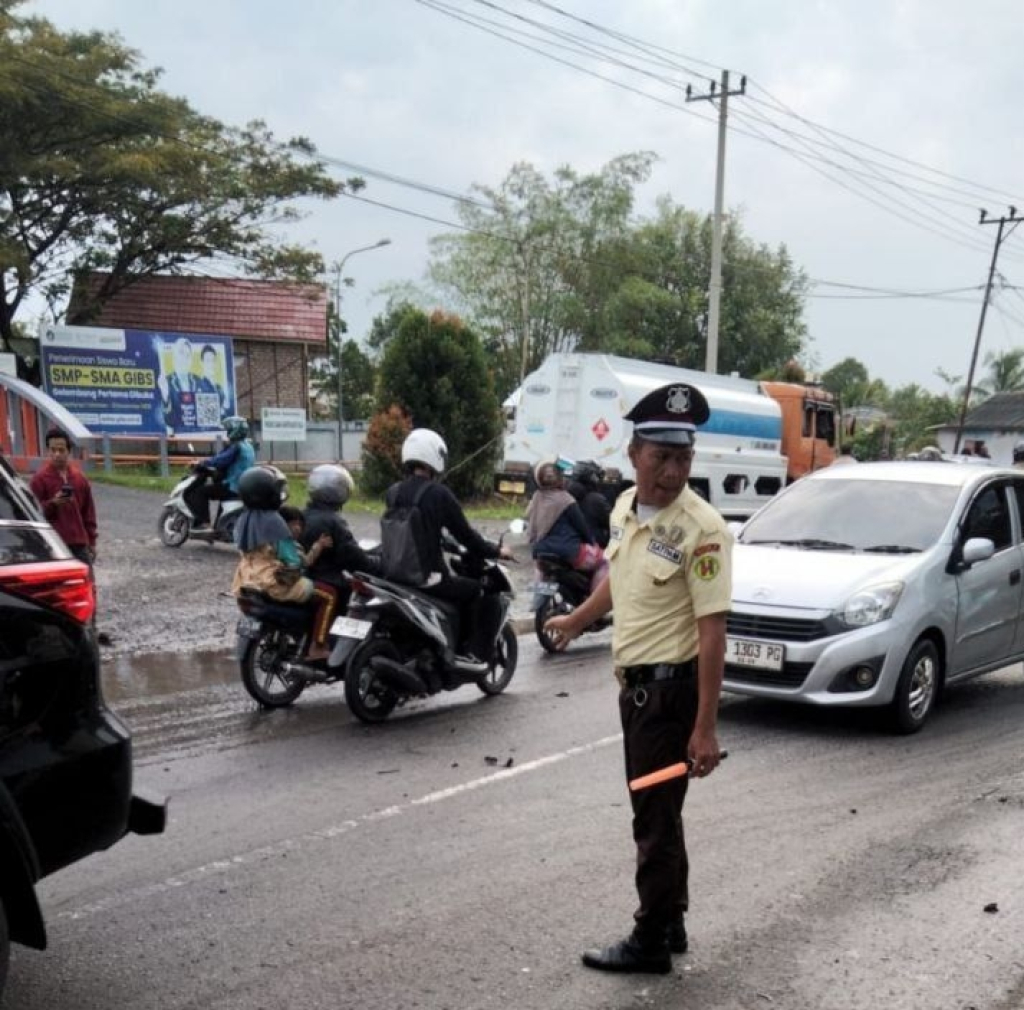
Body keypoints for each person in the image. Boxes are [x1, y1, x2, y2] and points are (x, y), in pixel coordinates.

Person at [544, 382, 733, 975]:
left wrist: (705, 729)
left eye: (684, 459)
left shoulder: (703, 530)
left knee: (651, 822)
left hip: (670, 696)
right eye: (662, 458)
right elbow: (619, 583)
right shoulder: (626, 508)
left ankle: (649, 941)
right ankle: (671, 921)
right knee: (662, 814)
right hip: (638, 692)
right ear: (634, 454)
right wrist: (575, 621)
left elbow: (712, 632)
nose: (674, 473)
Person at [385, 428, 514, 673]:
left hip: (393, 574)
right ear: (435, 456)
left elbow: (417, 529)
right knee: (481, 591)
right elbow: (466, 535)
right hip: (426, 577)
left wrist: (442, 540)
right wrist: (496, 551)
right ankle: (473, 654)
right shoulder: (438, 494)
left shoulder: (394, 492)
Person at [231, 468, 336, 660]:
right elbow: (293, 560)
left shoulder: (243, 519)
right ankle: (318, 646)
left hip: (246, 579)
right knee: (329, 595)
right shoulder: (274, 521)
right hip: (272, 581)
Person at [300, 463, 375, 618]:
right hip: (325, 578)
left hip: (304, 576)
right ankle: (330, 640)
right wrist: (376, 563)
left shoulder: (303, 515)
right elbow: (352, 557)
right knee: (352, 592)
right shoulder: (333, 521)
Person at [527, 459, 607, 589]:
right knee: (605, 561)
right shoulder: (566, 499)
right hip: (568, 551)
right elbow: (582, 527)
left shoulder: (536, 497)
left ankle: (536, 596)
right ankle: (592, 602)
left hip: (540, 551)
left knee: (540, 568)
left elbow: (530, 525)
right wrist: (592, 543)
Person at [30, 427, 98, 566]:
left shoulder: (80, 479)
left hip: (79, 544)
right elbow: (31, 513)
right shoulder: (39, 479)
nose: (56, 454)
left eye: (61, 450)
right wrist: (53, 504)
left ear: (68, 451)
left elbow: (88, 514)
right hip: (52, 544)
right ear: (48, 450)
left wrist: (91, 542)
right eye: (52, 450)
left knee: (87, 583)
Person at [184, 416, 255, 530]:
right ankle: (217, 527)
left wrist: (202, 463)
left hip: (232, 486)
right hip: (242, 485)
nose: (227, 433)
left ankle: (204, 523)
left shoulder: (236, 447)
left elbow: (220, 460)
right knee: (216, 488)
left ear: (234, 430)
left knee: (200, 492)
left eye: (228, 430)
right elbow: (224, 460)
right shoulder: (248, 446)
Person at [157, 336, 201, 435]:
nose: (184, 358)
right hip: (177, 436)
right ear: (174, 357)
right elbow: (168, 420)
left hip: (199, 434)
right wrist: (165, 395)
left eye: (188, 355)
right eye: (181, 353)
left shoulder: (198, 381)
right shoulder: (166, 381)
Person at [566, 459, 612, 548]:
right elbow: (613, 522)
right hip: (594, 550)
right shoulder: (597, 500)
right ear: (592, 477)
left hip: (570, 548)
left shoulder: (565, 497)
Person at [196, 343, 231, 420]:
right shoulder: (199, 386)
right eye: (208, 361)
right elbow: (205, 414)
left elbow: (227, 409)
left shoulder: (219, 387)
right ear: (202, 363)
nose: (211, 364)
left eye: (213, 360)